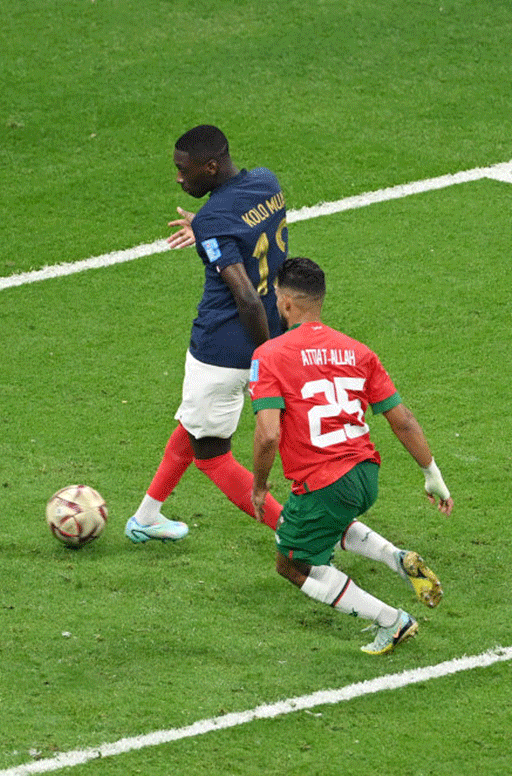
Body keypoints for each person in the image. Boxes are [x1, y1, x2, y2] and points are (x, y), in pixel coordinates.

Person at [249, 257, 453, 654]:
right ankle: (396, 558)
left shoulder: (269, 356)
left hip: (324, 480)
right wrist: (433, 474)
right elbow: (404, 421)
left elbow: (268, 434)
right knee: (327, 522)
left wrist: (258, 486)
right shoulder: (358, 351)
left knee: (290, 562)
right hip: (365, 474)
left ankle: (392, 621)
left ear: (287, 303)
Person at [125, 124, 288, 543]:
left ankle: (296, 531)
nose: (179, 178)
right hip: (274, 328)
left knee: (212, 456)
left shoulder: (216, 219)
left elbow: (247, 297)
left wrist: (264, 358)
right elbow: (247, 230)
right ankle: (146, 517)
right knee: (194, 421)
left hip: (222, 349)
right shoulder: (267, 182)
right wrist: (209, 225)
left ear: (211, 167)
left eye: (185, 170)